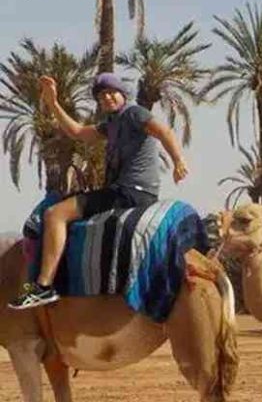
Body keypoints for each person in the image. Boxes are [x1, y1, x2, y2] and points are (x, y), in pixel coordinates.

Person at [8, 73, 189, 310]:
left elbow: (163, 131)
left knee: (54, 214)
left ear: (123, 94)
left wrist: (178, 161)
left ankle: (43, 286)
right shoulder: (111, 124)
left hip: (129, 192)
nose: (107, 98)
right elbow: (77, 132)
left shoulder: (134, 113)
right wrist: (53, 103)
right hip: (126, 191)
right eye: (102, 96)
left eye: (112, 93)